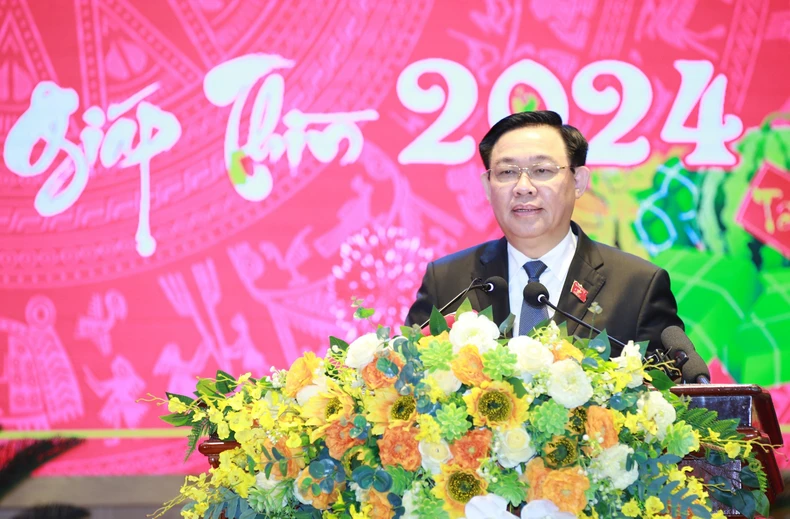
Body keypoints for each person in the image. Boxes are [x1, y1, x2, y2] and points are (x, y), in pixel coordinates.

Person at [405, 110, 684, 354]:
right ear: (488, 187)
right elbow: (410, 384)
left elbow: (666, 402)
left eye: (541, 170)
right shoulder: (447, 282)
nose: (523, 187)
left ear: (578, 181)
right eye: (506, 172)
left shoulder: (637, 286)